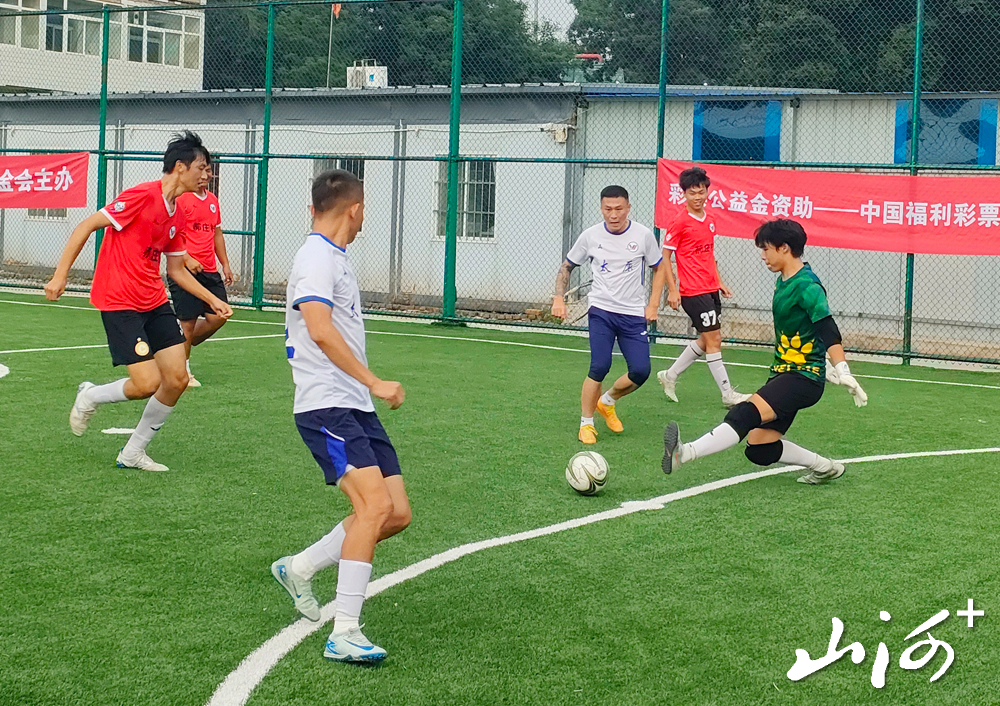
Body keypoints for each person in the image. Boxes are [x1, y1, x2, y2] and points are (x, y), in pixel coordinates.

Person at [271, 170, 411, 663]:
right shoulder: (315, 258)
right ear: (355, 209)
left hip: (353, 404)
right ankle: (344, 632)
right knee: (372, 508)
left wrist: (365, 391)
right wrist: (374, 380)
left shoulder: (335, 256)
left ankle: (300, 567)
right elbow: (320, 329)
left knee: (395, 513)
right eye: (364, 209)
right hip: (325, 404)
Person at [43, 132, 232, 472]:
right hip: (119, 300)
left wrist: (211, 300)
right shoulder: (142, 196)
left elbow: (176, 269)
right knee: (146, 384)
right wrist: (60, 276)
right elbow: (87, 225)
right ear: (180, 167)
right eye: (202, 167)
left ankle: (132, 453)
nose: (207, 174)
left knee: (177, 379)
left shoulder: (178, 214)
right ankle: (90, 395)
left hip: (154, 300)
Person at [661, 219, 868, 484]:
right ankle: (826, 467)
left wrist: (842, 369)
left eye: (766, 249)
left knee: (743, 413)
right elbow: (806, 330)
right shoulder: (784, 281)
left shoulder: (807, 286)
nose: (762, 256)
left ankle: (684, 453)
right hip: (784, 373)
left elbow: (828, 329)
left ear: (784, 248)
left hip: (803, 378)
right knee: (759, 448)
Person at [552, 185, 663, 445]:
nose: (613, 215)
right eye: (608, 209)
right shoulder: (590, 236)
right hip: (601, 310)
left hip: (632, 314)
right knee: (599, 366)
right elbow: (567, 266)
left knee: (641, 371)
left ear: (628, 208)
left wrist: (653, 304)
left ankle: (608, 401)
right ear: (601, 208)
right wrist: (558, 297)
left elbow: (659, 268)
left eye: (619, 209)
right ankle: (586, 423)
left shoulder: (643, 235)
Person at [649, 167, 750, 408]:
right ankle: (727, 394)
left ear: (707, 192)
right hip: (693, 291)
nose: (697, 197)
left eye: (701, 192)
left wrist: (719, 281)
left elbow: (709, 254)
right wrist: (673, 289)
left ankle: (670, 375)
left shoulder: (710, 219)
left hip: (710, 289)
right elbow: (666, 257)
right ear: (684, 193)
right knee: (715, 339)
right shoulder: (679, 221)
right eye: (692, 193)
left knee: (707, 340)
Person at [167, 164, 235, 387]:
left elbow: (217, 233)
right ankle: (183, 371)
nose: (206, 175)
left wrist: (225, 264)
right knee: (187, 322)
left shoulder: (213, 200)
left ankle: (173, 347)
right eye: (202, 170)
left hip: (209, 270)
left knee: (219, 316)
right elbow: (171, 233)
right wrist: (186, 258)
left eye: (209, 170)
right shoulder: (181, 199)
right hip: (184, 269)